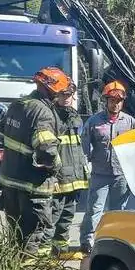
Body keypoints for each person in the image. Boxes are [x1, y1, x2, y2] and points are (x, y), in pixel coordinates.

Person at [0, 66, 70, 257]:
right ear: (52, 89)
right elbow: (46, 151)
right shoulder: (43, 113)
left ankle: (13, 267)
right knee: (33, 234)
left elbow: (1, 133)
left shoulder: (17, 105)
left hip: (10, 181)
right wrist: (56, 169)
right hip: (33, 185)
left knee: (16, 232)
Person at [79, 80, 135, 255]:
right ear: (106, 101)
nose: (115, 103)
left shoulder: (130, 123)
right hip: (100, 174)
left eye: (119, 101)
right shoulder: (94, 121)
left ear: (123, 102)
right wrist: (85, 166)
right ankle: (87, 241)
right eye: (112, 100)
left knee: (118, 211)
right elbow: (84, 146)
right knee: (94, 209)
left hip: (121, 175)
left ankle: (115, 241)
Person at [45, 78, 90, 260]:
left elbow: (78, 148)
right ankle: (46, 252)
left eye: (69, 95)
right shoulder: (51, 116)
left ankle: (60, 249)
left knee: (67, 216)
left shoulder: (75, 116)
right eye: (62, 95)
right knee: (53, 215)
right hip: (59, 176)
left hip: (75, 177)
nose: (66, 98)